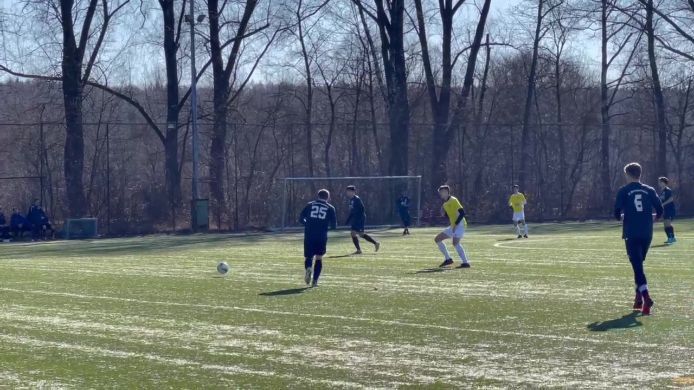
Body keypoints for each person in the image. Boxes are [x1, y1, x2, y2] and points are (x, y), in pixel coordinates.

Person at [614, 162, 663, 316]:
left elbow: (616, 213)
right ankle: (638, 300)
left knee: (637, 267)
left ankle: (646, 297)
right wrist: (652, 219)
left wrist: (622, 216)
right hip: (647, 233)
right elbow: (660, 210)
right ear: (640, 174)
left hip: (631, 233)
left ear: (628, 175)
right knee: (638, 265)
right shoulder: (649, 190)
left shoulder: (623, 190)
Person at [299, 189, 337, 287]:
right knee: (319, 258)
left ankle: (308, 268)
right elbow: (334, 226)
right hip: (321, 236)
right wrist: (325, 227)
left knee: (308, 257)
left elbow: (300, 218)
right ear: (327, 197)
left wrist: (307, 224)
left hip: (309, 234)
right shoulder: (330, 208)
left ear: (317, 196)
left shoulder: (310, 204)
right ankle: (315, 281)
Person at [434, 185, 470, 269]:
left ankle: (465, 263)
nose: (440, 194)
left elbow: (462, 213)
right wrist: (444, 214)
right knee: (437, 239)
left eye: (441, 192)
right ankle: (448, 259)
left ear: (446, 192)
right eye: (440, 193)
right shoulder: (445, 204)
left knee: (455, 243)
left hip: (460, 224)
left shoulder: (453, 200)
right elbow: (449, 215)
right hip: (453, 225)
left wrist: (456, 224)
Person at [345, 185, 380, 254]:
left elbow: (362, 209)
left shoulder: (357, 199)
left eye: (349, 191)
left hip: (359, 219)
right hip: (355, 219)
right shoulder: (351, 200)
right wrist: (348, 220)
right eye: (347, 191)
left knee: (358, 234)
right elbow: (352, 211)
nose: (347, 193)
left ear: (353, 192)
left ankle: (374, 244)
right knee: (356, 234)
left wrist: (358, 218)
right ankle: (361, 249)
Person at [658, 177, 677, 244]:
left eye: (660, 182)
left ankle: (672, 238)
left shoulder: (667, 190)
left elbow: (671, 199)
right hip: (665, 210)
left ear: (664, 182)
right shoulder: (662, 191)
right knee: (665, 225)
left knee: (667, 224)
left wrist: (663, 204)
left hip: (669, 209)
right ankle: (670, 238)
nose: (659, 183)